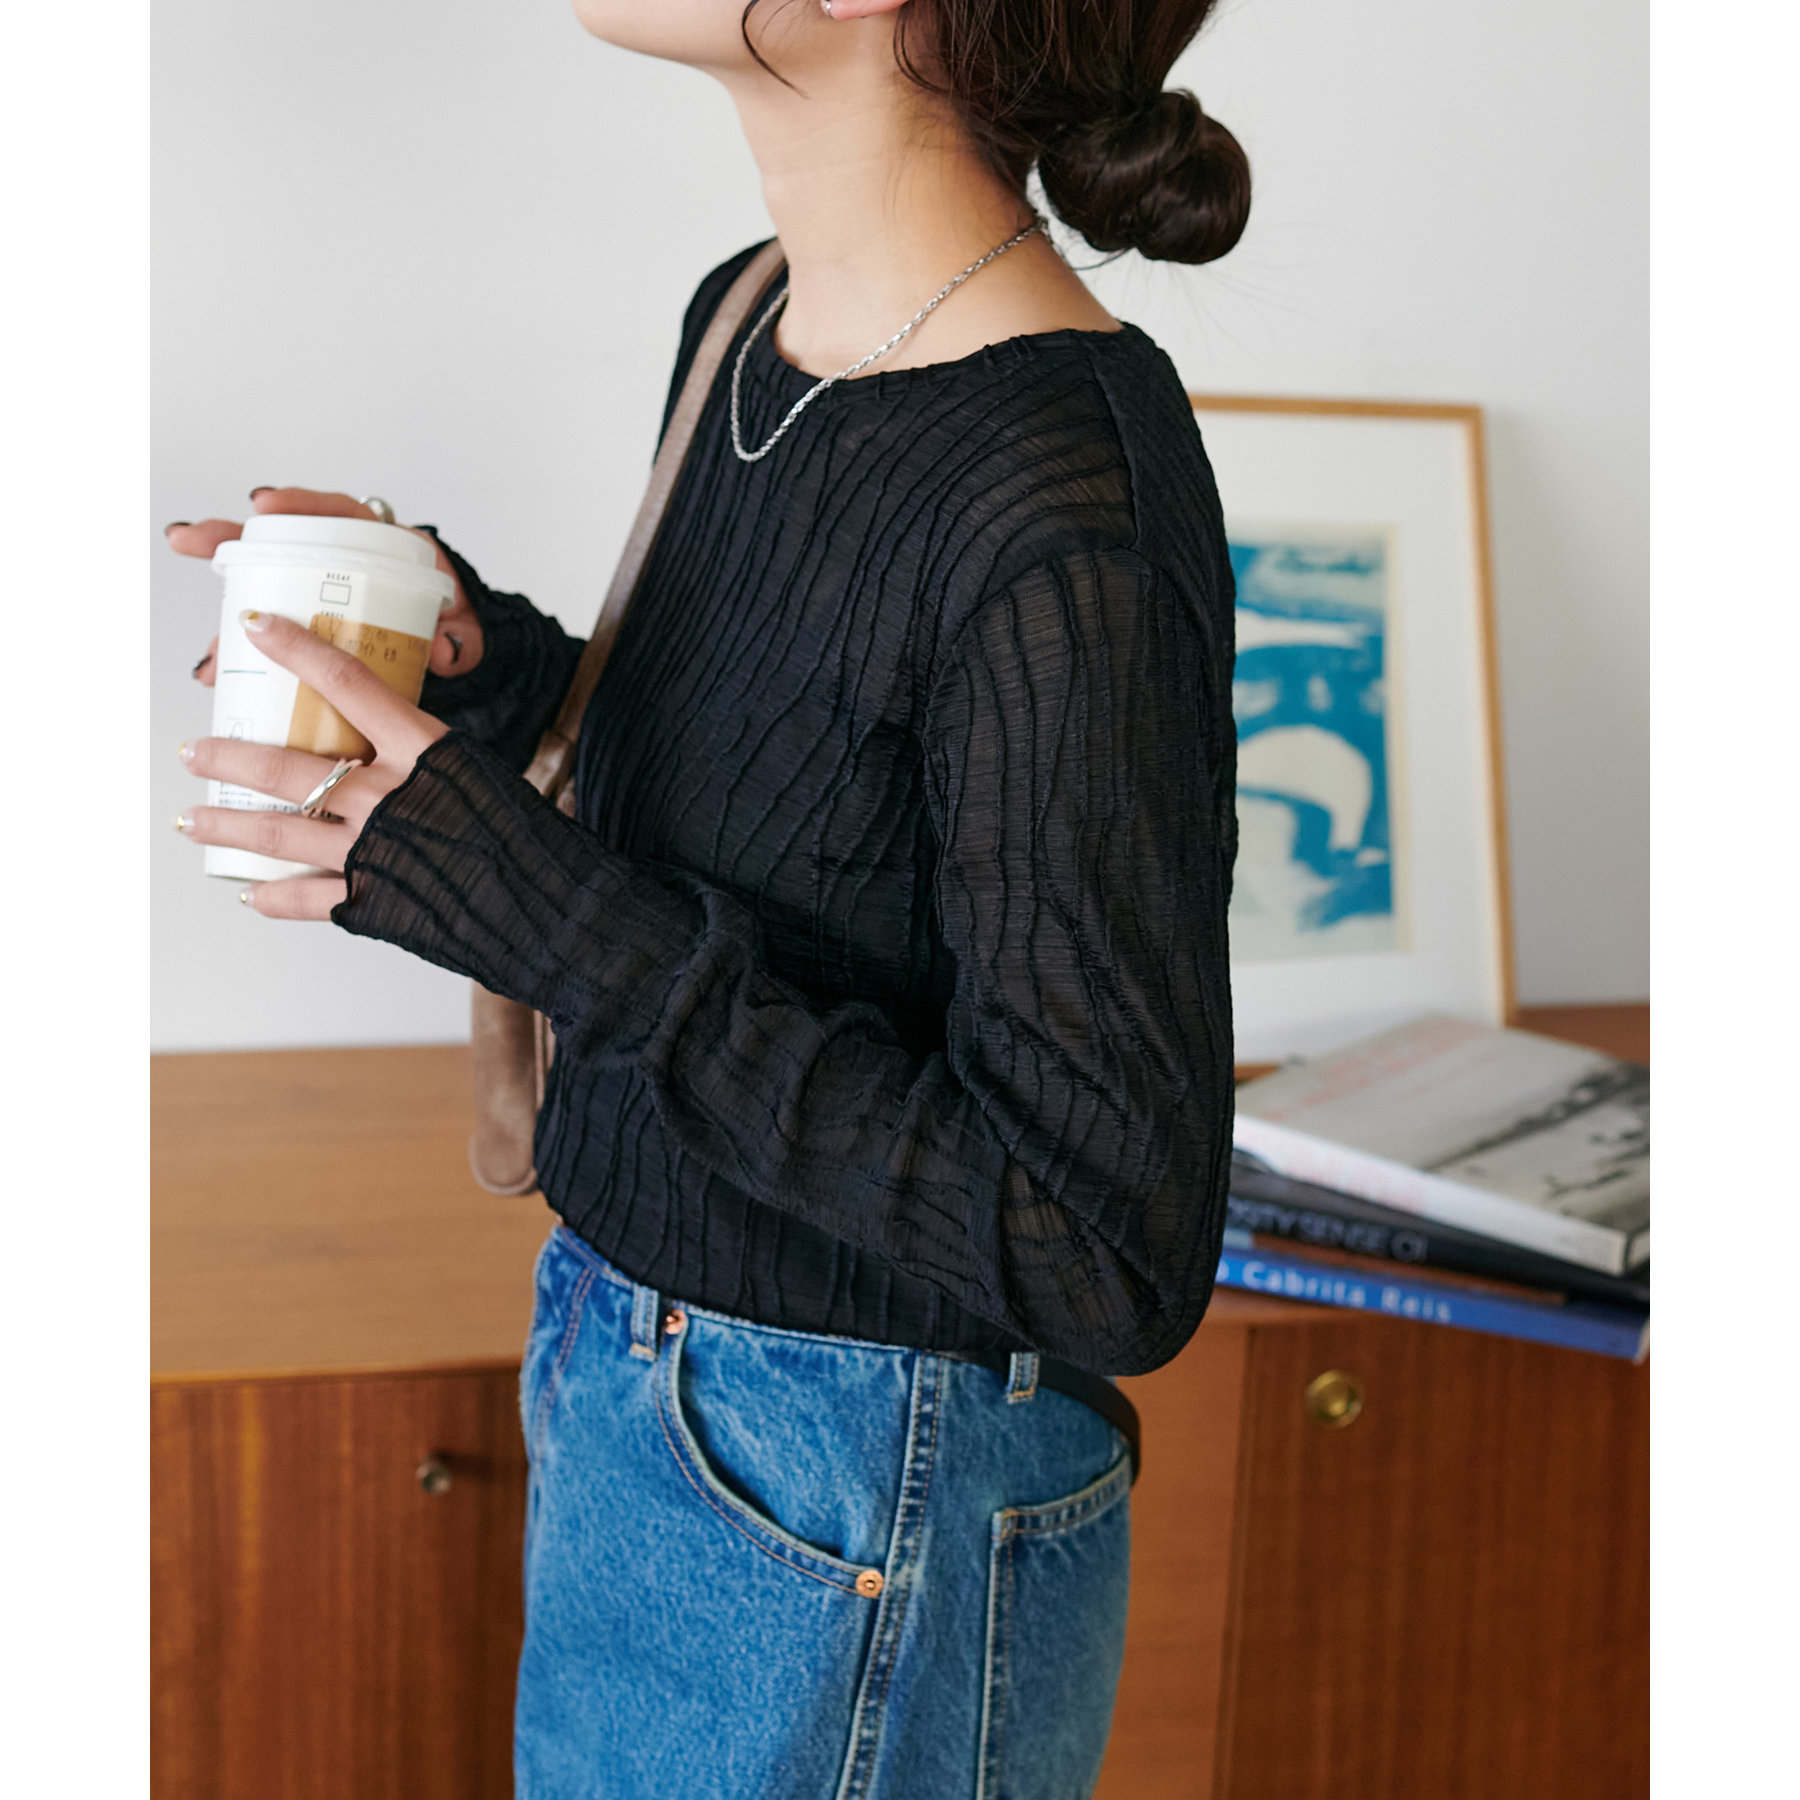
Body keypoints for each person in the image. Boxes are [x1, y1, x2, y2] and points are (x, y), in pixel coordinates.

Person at [169, 1, 1247, 1793]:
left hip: (856, 1476)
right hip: (639, 1379)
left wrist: (529, 906)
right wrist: (494, 669)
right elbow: (810, 824)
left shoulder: (1069, 505)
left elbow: (1102, 1247)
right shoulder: (750, 316)